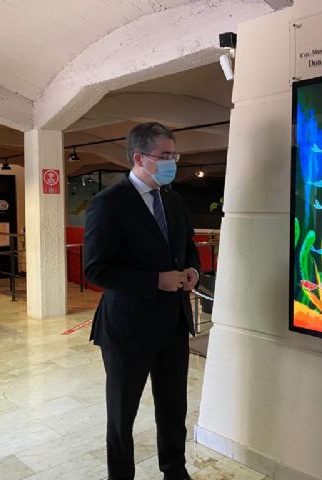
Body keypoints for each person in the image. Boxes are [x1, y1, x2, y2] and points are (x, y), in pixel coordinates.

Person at [84, 122, 200, 480]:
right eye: (164, 156)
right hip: (128, 329)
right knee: (122, 416)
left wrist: (192, 269)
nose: (172, 162)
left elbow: (187, 245)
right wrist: (155, 280)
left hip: (173, 324)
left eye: (174, 155)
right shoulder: (108, 204)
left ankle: (175, 471)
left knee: (173, 407)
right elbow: (96, 269)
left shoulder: (174, 200)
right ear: (139, 158)